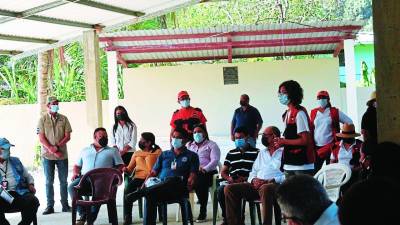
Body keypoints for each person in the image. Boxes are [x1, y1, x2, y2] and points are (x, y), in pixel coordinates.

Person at [126, 127, 199, 225]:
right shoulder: (164, 154)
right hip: (161, 188)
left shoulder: (192, 155)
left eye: (178, 137)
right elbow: (153, 173)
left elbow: (193, 174)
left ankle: (141, 193)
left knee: (174, 180)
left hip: (179, 188)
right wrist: (144, 184)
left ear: (185, 140)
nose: (175, 139)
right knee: (150, 194)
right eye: (173, 137)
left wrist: (191, 180)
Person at [224, 126, 284, 225]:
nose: (262, 137)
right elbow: (253, 171)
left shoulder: (284, 152)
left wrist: (271, 180)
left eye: (265, 135)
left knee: (265, 188)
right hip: (256, 185)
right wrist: (253, 180)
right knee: (229, 189)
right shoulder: (262, 152)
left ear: (274, 136)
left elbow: (287, 174)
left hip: (274, 185)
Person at [68, 128, 124, 225]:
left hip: (103, 181)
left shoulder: (113, 151)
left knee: (97, 194)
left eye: (106, 136)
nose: (105, 138)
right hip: (84, 179)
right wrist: (75, 173)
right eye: (101, 136)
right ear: (95, 137)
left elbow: (121, 166)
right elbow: (77, 166)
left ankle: (90, 219)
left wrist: (113, 176)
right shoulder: (85, 150)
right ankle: (83, 214)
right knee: (71, 187)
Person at [37, 96, 72, 214]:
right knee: (48, 181)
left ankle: (65, 204)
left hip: (62, 155)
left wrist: (56, 148)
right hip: (47, 156)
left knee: (63, 181)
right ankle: (50, 206)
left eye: (57, 103)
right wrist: (52, 150)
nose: (56, 105)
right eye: (53, 103)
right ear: (48, 106)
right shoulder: (42, 120)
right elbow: (41, 138)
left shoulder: (64, 119)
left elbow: (67, 136)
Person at [218, 126, 259, 225]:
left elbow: (260, 171)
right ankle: (227, 219)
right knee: (220, 190)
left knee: (232, 190)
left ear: (247, 137)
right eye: (236, 138)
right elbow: (223, 171)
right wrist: (229, 178)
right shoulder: (231, 153)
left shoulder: (256, 152)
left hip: (248, 182)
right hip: (232, 180)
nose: (238, 140)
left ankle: (236, 220)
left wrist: (245, 178)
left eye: (241, 137)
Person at [274, 80, 315, 177]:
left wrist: (284, 142)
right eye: (280, 92)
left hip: (302, 165)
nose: (280, 95)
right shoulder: (286, 114)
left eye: (283, 92)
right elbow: (291, 138)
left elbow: (305, 140)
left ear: (292, 94)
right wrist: (280, 143)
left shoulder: (299, 113)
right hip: (289, 163)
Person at [122, 132, 162, 225]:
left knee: (151, 191)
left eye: (142, 140)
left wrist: (142, 155)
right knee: (128, 189)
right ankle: (128, 217)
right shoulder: (136, 153)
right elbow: (130, 168)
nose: (140, 142)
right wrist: (125, 169)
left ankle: (153, 216)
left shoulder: (158, 152)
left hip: (152, 178)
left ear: (149, 142)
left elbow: (153, 159)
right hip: (138, 178)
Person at [310, 90, 353, 171]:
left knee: (331, 171)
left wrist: (343, 133)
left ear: (328, 99)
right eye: (319, 98)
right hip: (316, 147)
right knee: (315, 170)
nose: (321, 99)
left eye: (323, 97)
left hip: (331, 146)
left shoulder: (334, 111)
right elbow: (311, 128)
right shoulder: (313, 112)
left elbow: (349, 122)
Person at [0, 138, 40, 225]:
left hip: (18, 193)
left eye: (9, 148)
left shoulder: (15, 161)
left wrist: (30, 184)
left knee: (33, 201)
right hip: (2, 196)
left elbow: (28, 176)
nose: (8, 151)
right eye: (4, 149)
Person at [186, 124, 221, 222]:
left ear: (205, 133)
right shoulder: (189, 145)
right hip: (193, 172)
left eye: (199, 131)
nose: (197, 134)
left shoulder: (212, 145)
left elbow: (215, 160)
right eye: (194, 132)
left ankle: (203, 210)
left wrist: (204, 169)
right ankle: (187, 212)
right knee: (183, 181)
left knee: (199, 180)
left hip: (207, 172)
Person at [329, 124, 363, 195]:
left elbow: (364, 162)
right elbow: (331, 163)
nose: (348, 138)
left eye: (349, 137)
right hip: (340, 175)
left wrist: (354, 169)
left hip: (355, 174)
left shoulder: (360, 145)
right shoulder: (336, 146)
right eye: (346, 137)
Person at [361, 91, 377, 156]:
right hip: (372, 147)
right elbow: (365, 134)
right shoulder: (367, 115)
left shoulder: (380, 114)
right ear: (372, 102)